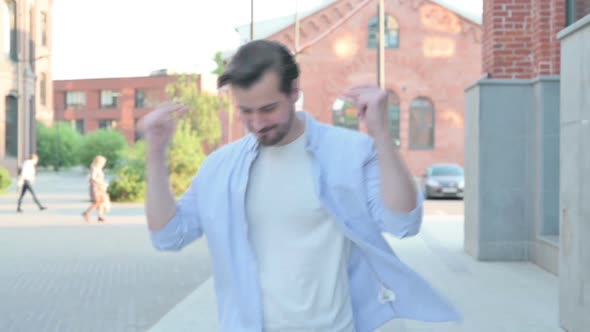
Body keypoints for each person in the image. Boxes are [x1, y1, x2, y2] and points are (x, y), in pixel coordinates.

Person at [141, 40, 459, 332]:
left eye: (268, 109)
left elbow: (403, 222)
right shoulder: (221, 167)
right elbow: (169, 235)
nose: (257, 123)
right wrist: (155, 152)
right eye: (245, 111)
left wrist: (381, 134)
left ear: (294, 90)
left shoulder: (348, 153)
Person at [83, 155, 110, 222]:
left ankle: (100, 216)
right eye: (103, 162)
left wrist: (103, 184)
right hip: (95, 187)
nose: (104, 164)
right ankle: (86, 212)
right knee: (97, 202)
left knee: (102, 201)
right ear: (99, 162)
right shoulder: (94, 168)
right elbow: (92, 178)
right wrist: (101, 183)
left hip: (100, 187)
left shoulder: (99, 169)